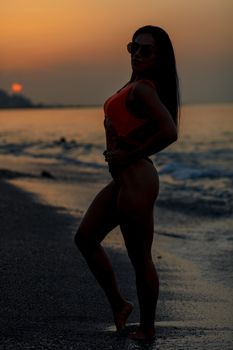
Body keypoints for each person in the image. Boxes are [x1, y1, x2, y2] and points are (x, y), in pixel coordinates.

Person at [74, 25, 180, 340]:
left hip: (138, 180)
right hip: (124, 180)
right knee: (85, 239)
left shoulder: (144, 90)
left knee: (140, 257)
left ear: (159, 57)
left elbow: (170, 131)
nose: (137, 53)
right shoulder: (132, 87)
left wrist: (129, 153)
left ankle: (147, 328)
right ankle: (120, 304)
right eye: (133, 47)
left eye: (146, 49)